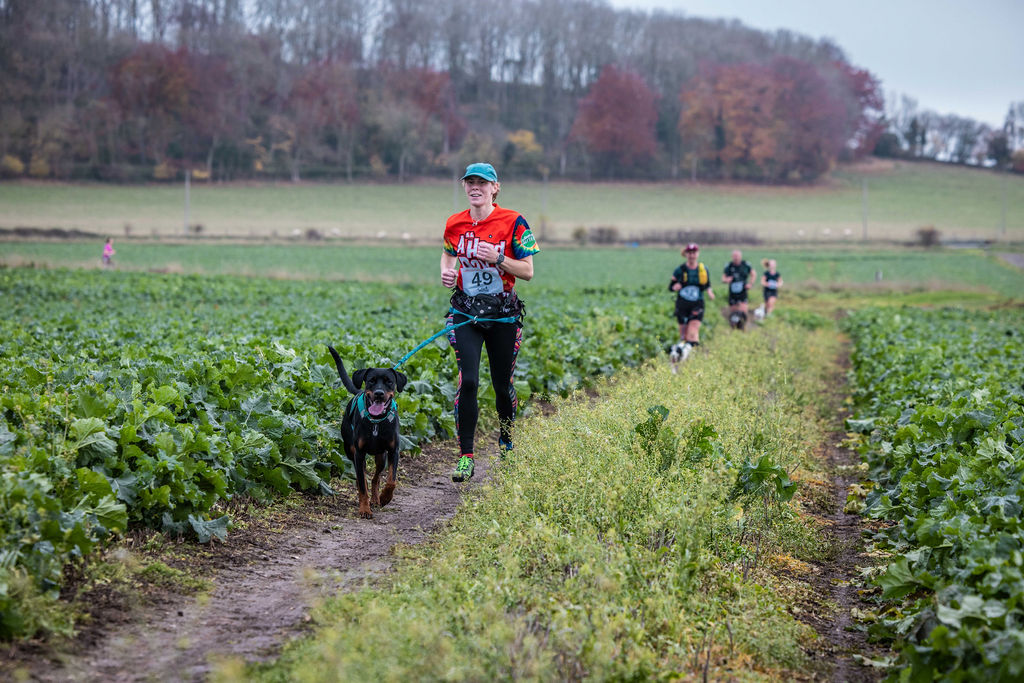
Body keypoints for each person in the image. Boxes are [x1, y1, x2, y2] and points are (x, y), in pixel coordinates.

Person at [440, 162, 539, 482]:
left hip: (503, 314)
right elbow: (448, 253)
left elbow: (528, 271)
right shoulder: (454, 223)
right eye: (470, 182)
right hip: (465, 312)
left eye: (482, 183)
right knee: (468, 380)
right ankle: (466, 457)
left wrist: (498, 258)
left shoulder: (514, 221)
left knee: (501, 385)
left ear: (495, 188)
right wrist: (446, 271)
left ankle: (507, 444)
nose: (475, 187)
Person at [668, 243, 714, 357]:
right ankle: (687, 356)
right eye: (689, 253)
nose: (692, 255)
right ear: (686, 254)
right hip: (682, 305)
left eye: (694, 253)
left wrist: (710, 292)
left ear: (697, 254)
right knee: (683, 335)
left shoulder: (703, 270)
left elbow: (707, 284)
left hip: (697, 304)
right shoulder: (680, 270)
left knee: (692, 331)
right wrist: (675, 287)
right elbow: (671, 287)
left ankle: (694, 355)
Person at [722, 249, 754, 326]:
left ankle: (743, 326)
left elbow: (753, 274)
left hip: (743, 292)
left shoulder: (745, 265)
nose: (736, 258)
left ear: (741, 256)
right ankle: (734, 327)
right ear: (732, 257)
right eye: (735, 256)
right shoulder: (729, 266)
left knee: (743, 311)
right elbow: (723, 278)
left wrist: (750, 284)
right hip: (733, 293)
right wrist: (726, 280)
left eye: (738, 256)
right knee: (734, 312)